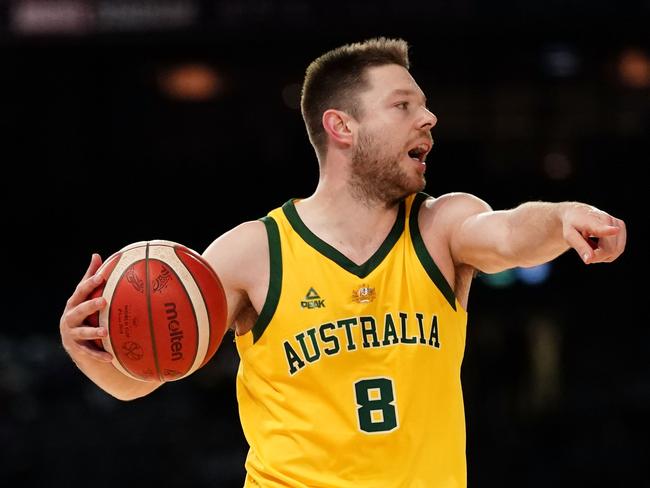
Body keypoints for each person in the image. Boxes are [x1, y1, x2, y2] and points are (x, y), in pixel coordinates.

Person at [59, 37, 626, 487]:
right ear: (342, 126)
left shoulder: (441, 226)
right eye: (404, 105)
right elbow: (144, 379)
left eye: (426, 106)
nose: (429, 118)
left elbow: (507, 234)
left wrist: (560, 217)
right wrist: (85, 347)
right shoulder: (253, 251)